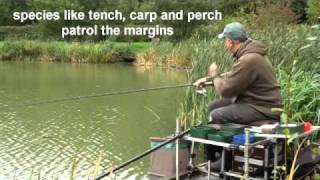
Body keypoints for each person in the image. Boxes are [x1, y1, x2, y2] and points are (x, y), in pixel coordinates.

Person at [193, 22, 282, 165]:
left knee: (217, 115)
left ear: (229, 42)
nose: (225, 44)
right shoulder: (252, 54)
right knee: (213, 107)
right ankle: (215, 154)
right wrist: (209, 79)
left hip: (262, 108)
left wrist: (215, 74)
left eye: (224, 41)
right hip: (254, 102)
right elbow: (235, 74)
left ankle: (226, 160)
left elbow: (225, 91)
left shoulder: (249, 59)